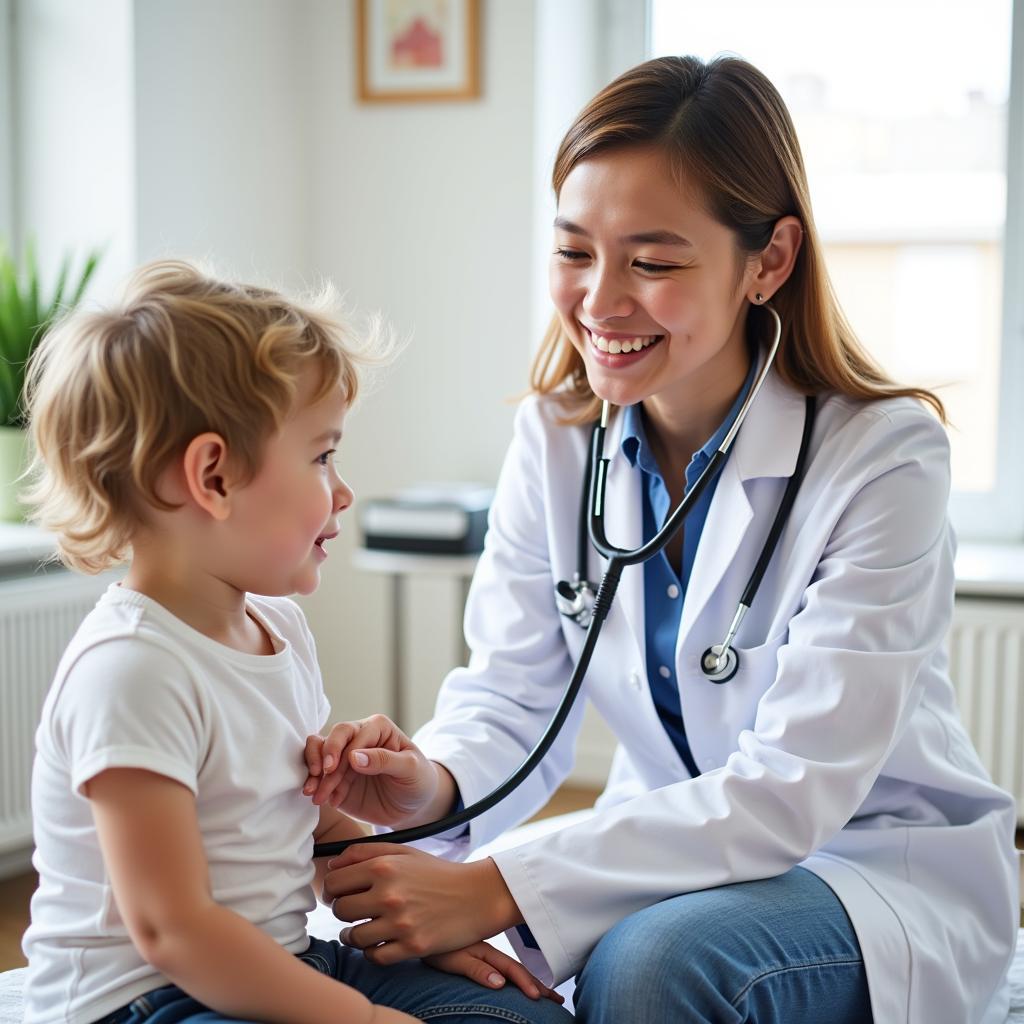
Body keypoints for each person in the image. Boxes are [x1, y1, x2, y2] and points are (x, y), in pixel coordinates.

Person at [303, 55, 1019, 1023]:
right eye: (572, 252)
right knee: (380, 955)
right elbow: (513, 696)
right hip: (673, 849)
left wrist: (500, 884)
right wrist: (425, 786)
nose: (599, 301)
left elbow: (789, 790)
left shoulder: (882, 454)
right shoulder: (556, 438)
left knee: (651, 966)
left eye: (652, 261)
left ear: (767, 260)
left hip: (865, 865)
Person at [19, 261, 571, 1024]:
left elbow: (310, 822)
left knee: (523, 1016)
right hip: (151, 998)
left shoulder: (276, 629)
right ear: (213, 476)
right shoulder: (132, 672)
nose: (342, 490)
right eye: (321, 456)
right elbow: (173, 931)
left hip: (280, 957)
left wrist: (415, 932)